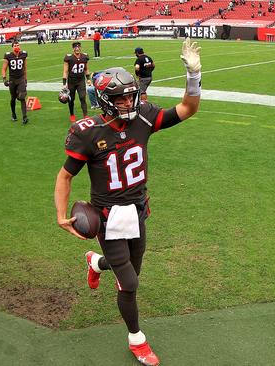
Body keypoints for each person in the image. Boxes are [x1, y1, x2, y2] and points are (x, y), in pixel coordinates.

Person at [54, 38, 201, 366]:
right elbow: (66, 176)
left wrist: (193, 75)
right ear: (105, 101)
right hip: (107, 218)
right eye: (120, 98)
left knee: (129, 274)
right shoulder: (88, 132)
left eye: (130, 95)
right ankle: (137, 339)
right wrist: (61, 214)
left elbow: (188, 109)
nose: (128, 102)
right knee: (130, 284)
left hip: (137, 211)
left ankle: (96, 263)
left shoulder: (144, 117)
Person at [62, 41, 91, 123]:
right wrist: (64, 83)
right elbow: (65, 71)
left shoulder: (84, 57)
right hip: (71, 81)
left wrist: (88, 78)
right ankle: (72, 114)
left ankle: (85, 115)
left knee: (82, 97)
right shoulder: (69, 58)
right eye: (75, 47)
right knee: (71, 99)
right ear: (73, 49)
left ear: (80, 48)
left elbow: (86, 68)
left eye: (78, 47)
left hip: (81, 80)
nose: (77, 49)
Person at [1, 40, 29, 124]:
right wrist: (4, 79)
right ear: (12, 47)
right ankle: (13, 114)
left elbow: (25, 68)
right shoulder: (8, 56)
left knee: (22, 97)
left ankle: (25, 117)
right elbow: (4, 68)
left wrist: (26, 79)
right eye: (15, 45)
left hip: (21, 79)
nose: (17, 47)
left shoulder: (23, 54)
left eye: (18, 45)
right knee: (13, 98)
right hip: (12, 80)